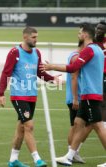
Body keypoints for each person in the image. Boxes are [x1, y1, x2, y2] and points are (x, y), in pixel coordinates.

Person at [39, 23, 106, 167]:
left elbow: (73, 68)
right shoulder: (99, 49)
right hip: (90, 94)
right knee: (78, 123)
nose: (78, 34)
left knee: (98, 126)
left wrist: (51, 67)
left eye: (80, 32)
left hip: (90, 94)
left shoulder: (89, 50)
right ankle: (69, 156)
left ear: (86, 34)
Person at [0, 27, 61, 167]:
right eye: (33, 37)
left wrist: (52, 79)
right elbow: (6, 73)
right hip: (19, 95)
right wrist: (1, 93)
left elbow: (39, 72)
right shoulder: (15, 52)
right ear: (25, 37)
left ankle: (13, 160)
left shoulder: (36, 52)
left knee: (21, 127)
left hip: (32, 95)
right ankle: (37, 159)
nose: (36, 39)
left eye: (36, 37)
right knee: (29, 126)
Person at [64, 41, 92, 164]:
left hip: (77, 97)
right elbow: (74, 77)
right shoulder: (76, 56)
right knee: (80, 125)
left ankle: (72, 152)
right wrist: (76, 98)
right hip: (76, 98)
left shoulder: (76, 56)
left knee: (77, 125)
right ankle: (72, 153)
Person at [95, 22, 106, 126]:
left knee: (103, 100)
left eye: (101, 29)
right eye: (97, 28)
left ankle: (103, 124)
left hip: (104, 74)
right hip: (95, 74)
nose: (98, 30)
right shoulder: (92, 43)